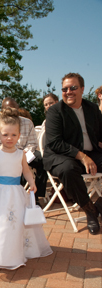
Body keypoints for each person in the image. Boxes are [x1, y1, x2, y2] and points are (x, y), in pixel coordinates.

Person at [0, 112, 52, 269]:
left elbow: (26, 170)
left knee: (10, 223)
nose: (9, 138)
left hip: (14, 194)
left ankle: (8, 252)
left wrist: (32, 182)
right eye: (5, 134)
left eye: (13, 134)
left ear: (19, 135)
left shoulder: (21, 154)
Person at [44, 72, 102, 236]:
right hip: (61, 155)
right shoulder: (55, 111)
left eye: (73, 88)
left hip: (90, 153)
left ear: (82, 89)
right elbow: (55, 143)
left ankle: (100, 205)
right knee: (68, 170)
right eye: (65, 89)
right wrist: (82, 157)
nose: (68, 92)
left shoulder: (92, 109)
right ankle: (90, 210)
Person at [0, 101, 46, 205]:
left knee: (42, 160)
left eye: (13, 108)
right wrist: (12, 153)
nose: (11, 111)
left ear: (17, 108)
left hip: (26, 153)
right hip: (6, 154)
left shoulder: (28, 122)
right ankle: (13, 197)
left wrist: (24, 153)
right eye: (7, 108)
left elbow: (33, 143)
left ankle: (36, 195)